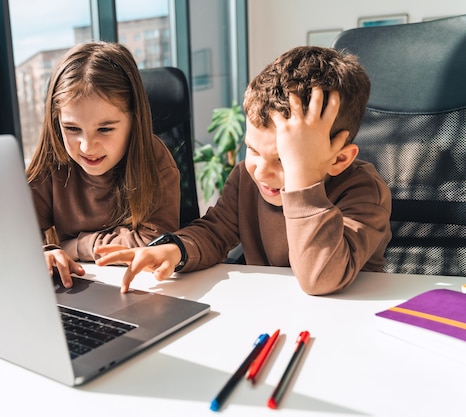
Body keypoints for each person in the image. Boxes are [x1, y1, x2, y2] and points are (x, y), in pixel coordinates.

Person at [95, 45, 392, 296]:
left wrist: (304, 183)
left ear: (339, 160)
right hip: (270, 309)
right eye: (252, 149)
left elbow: (321, 277)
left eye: (284, 160)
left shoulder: (364, 191)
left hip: (343, 323)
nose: (261, 172)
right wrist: (176, 250)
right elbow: (214, 231)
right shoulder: (246, 179)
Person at [26, 41, 181, 288]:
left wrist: (74, 246)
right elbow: (19, 244)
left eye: (105, 129)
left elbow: (153, 244)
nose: (87, 147)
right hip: (73, 288)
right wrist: (44, 254)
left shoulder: (155, 160)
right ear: (57, 121)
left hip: (144, 288)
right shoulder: (52, 160)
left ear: (134, 119)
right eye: (72, 128)